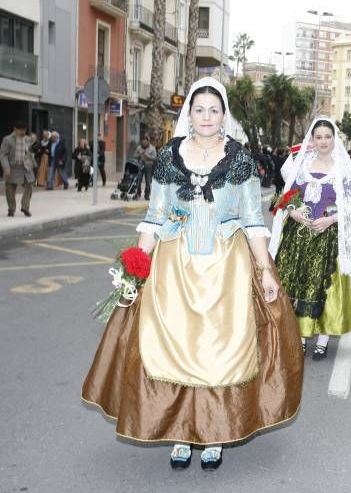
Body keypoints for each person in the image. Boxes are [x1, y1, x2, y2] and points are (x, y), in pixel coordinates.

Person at [82, 77, 303, 470]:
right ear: (189, 113)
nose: (205, 116)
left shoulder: (240, 159)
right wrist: (136, 267)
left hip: (227, 270)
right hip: (174, 268)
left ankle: (215, 432)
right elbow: (154, 217)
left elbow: (254, 221)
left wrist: (266, 271)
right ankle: (182, 433)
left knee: (220, 350)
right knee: (174, 347)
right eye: (198, 109)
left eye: (213, 110)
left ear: (224, 115)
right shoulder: (169, 156)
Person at [271, 117, 351, 361]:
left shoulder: (343, 169)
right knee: (300, 286)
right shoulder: (303, 163)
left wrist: (330, 220)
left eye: (327, 136)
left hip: (329, 236)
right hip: (299, 235)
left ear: (334, 139)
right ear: (312, 139)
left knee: (324, 289)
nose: (323, 141)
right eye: (318, 137)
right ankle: (303, 338)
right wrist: (293, 211)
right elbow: (286, 196)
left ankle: (324, 339)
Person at [0, 121, 35, 217]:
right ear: (15, 129)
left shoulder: (28, 139)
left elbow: (31, 152)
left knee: (29, 186)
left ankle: (25, 207)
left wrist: (33, 163)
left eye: (25, 129)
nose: (23, 131)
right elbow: (3, 155)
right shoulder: (7, 140)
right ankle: (11, 209)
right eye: (21, 130)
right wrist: (6, 167)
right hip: (12, 167)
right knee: (10, 189)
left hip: (26, 167)